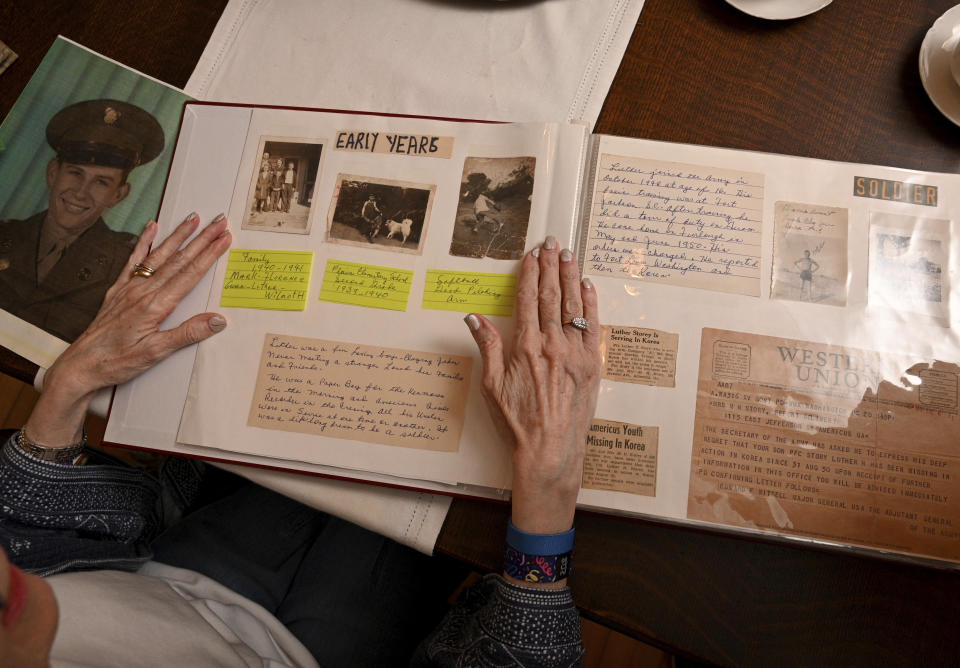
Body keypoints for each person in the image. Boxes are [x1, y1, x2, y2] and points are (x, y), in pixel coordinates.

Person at [0, 214, 601, 666]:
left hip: (176, 568)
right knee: (425, 512)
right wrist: (549, 486)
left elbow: (26, 535)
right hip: (323, 652)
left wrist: (69, 386)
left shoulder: (19, 594)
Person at [0, 99, 165, 342]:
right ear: (53, 173)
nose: (80, 192)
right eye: (75, 173)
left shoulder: (125, 266)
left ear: (119, 195)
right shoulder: (6, 235)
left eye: (101, 182)